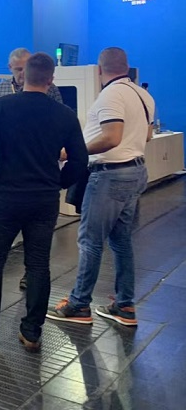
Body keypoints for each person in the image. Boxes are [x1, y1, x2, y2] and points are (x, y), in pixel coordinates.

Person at [0, 53, 88, 350]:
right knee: (38, 264)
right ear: (51, 79)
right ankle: (31, 332)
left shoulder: (1, 107)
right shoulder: (64, 114)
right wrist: (58, 183)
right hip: (44, 200)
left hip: (7, 195)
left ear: (24, 75)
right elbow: (80, 160)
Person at [47, 47, 153, 328]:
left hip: (110, 176)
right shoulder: (143, 95)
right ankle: (124, 305)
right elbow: (147, 135)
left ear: (99, 69)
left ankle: (79, 304)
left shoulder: (111, 94)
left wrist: (72, 152)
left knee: (90, 241)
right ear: (126, 67)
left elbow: (111, 137)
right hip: (135, 172)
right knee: (121, 241)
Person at [0, 47, 67, 289]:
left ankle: (26, 276)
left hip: (38, 173)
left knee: (37, 250)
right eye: (18, 68)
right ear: (10, 68)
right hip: (7, 174)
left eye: (26, 68)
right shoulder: (1, 91)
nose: (22, 73)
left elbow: (58, 129)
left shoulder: (51, 91)